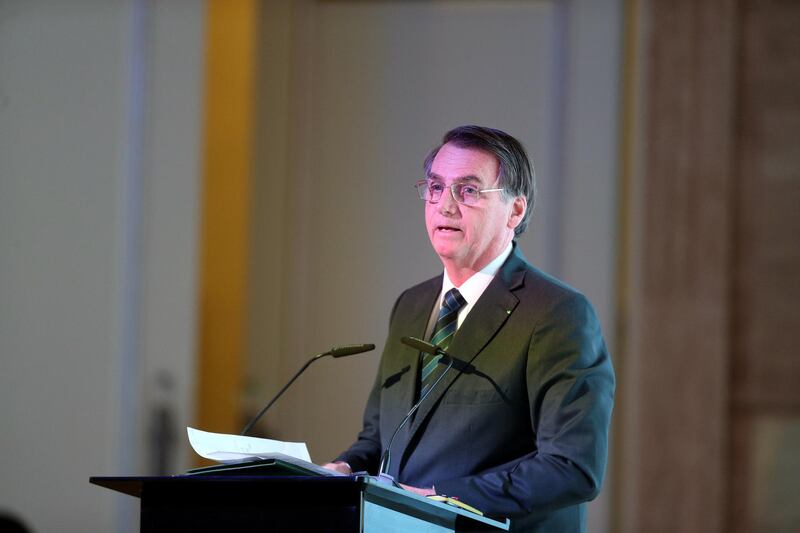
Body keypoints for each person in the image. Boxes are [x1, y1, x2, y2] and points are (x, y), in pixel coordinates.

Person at [323, 125, 615, 532]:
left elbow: (572, 466)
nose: (445, 206)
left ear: (515, 210)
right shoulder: (412, 305)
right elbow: (379, 440)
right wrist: (342, 470)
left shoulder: (558, 314)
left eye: (469, 191)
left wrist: (445, 499)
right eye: (436, 187)